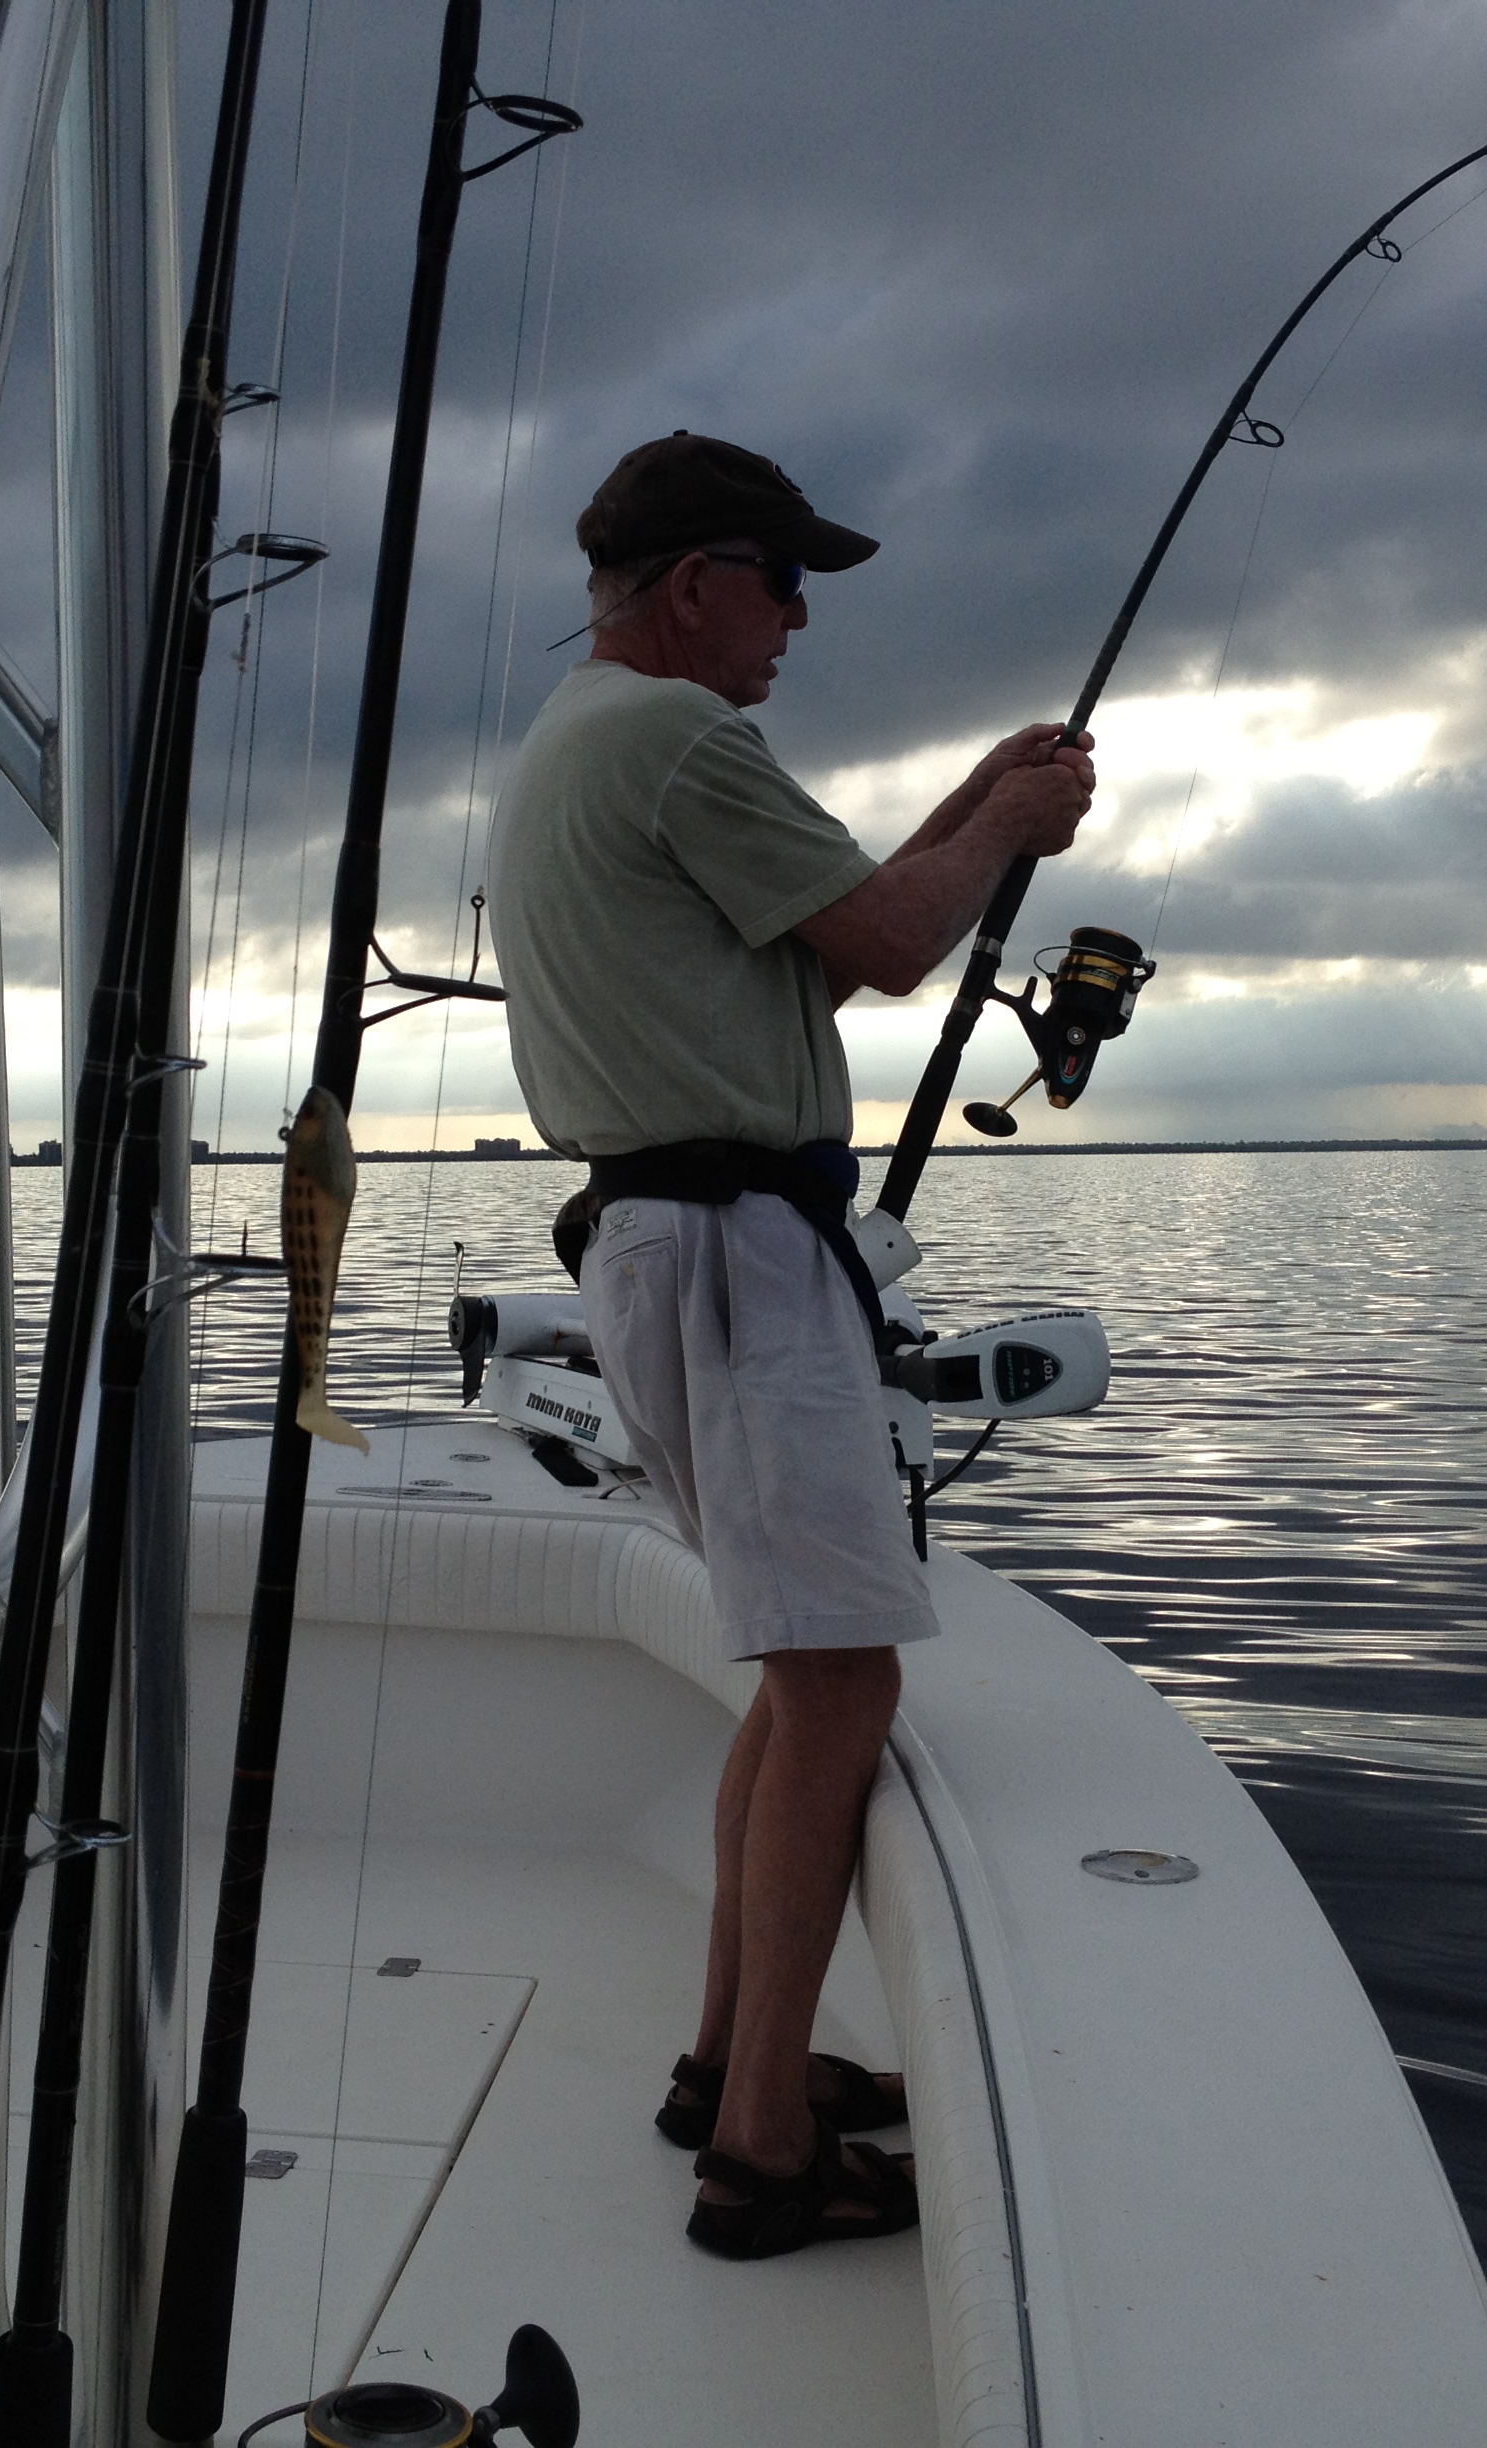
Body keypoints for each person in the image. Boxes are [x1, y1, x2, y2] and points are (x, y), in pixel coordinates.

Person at [486, 432, 1095, 2258]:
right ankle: (763, 2151)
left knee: (793, 1672)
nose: (801, 613)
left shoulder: (584, 745)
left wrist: (968, 810)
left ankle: (725, 2063)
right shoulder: (684, 734)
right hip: (738, 1251)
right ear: (693, 586)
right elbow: (903, 948)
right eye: (781, 575)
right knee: (841, 1683)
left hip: (675, 1249)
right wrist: (1006, 828)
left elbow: (819, 953)